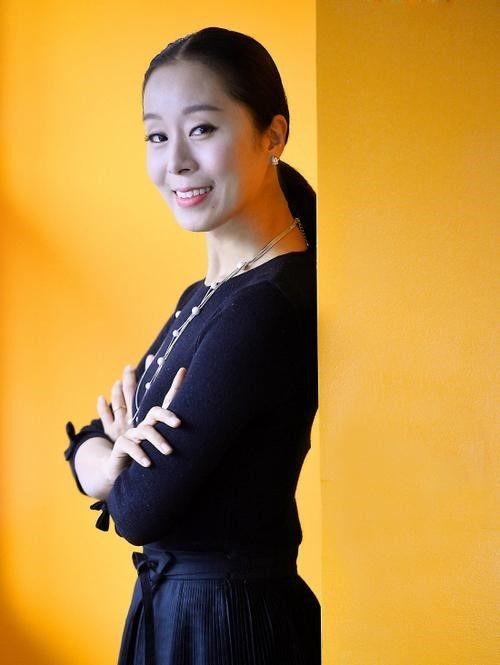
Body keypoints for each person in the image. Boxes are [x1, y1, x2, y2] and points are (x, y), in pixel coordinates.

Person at [64, 26, 320, 665]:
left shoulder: (264, 309)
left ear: (274, 135)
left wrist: (112, 469)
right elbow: (95, 437)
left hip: (226, 628)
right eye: (157, 135)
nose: (174, 161)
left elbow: (139, 509)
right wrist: (105, 462)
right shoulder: (208, 293)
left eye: (201, 129)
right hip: (185, 615)